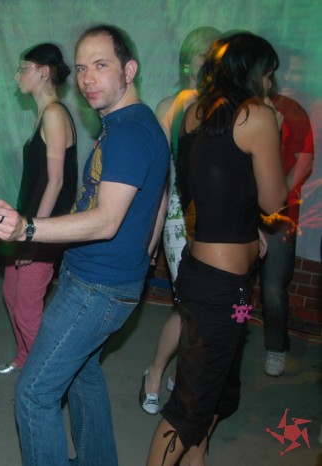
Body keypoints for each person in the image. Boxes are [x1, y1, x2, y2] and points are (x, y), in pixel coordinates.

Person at [0, 25, 169, 466]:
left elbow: (106, 220)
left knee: (34, 394)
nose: (88, 78)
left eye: (101, 65)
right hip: (107, 280)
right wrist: (144, 254)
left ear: (129, 70)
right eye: (83, 67)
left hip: (95, 287)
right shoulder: (131, 123)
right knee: (84, 375)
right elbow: (160, 194)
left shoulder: (129, 131)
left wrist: (27, 229)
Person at [147, 33, 287, 465]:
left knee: (219, 385)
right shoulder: (256, 115)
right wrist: (275, 129)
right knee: (189, 406)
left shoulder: (196, 112)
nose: (271, 82)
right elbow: (274, 201)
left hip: (218, 282)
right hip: (223, 288)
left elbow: (214, 188)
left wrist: (249, 228)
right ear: (251, 70)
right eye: (268, 73)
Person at [140, 26, 221, 415]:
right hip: (177, 214)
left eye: (217, 54)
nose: (211, 61)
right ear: (188, 60)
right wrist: (153, 233)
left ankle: (180, 374)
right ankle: (156, 372)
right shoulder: (170, 106)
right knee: (190, 302)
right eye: (205, 53)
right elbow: (159, 176)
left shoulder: (226, 108)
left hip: (217, 217)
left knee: (205, 306)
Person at [0, 43, 77, 375]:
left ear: (43, 72)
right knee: (11, 293)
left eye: (23, 68)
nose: (17, 76)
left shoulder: (55, 113)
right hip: (29, 222)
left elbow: (56, 182)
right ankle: (25, 357)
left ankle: (45, 375)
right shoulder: (45, 113)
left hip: (44, 227)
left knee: (27, 305)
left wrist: (33, 235)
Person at [258, 67, 314, 377]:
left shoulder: (293, 111)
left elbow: (304, 162)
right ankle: (234, 332)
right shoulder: (248, 107)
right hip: (244, 212)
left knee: (273, 288)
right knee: (238, 285)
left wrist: (278, 198)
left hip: (280, 216)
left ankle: (276, 346)